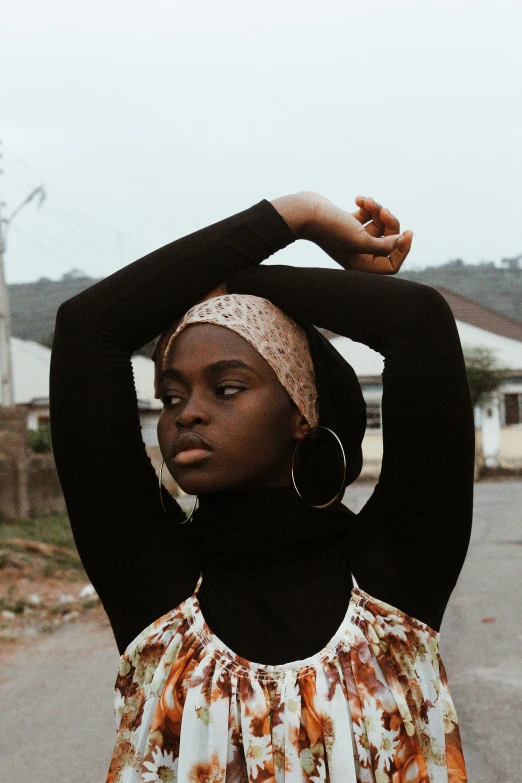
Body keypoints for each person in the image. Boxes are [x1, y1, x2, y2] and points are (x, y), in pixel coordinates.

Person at [50, 191, 474, 782]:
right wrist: (293, 215)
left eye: (225, 388)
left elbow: (419, 322)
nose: (185, 415)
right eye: (170, 397)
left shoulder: (394, 574)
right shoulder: (153, 584)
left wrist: (237, 280)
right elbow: (86, 328)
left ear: (302, 412)